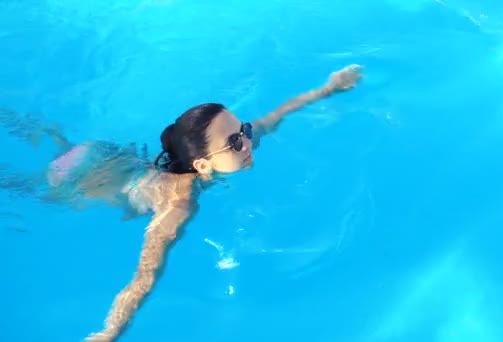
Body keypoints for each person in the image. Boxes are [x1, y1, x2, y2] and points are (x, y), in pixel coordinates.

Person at [0, 64, 362, 341]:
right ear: (203, 165)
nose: (248, 141)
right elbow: (146, 273)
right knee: (29, 189)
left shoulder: (231, 151)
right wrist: (110, 332)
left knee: (55, 146)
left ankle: (18, 121)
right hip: (91, 180)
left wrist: (330, 87)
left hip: (106, 156)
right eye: (236, 142)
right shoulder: (179, 203)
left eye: (243, 132)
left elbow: (275, 116)